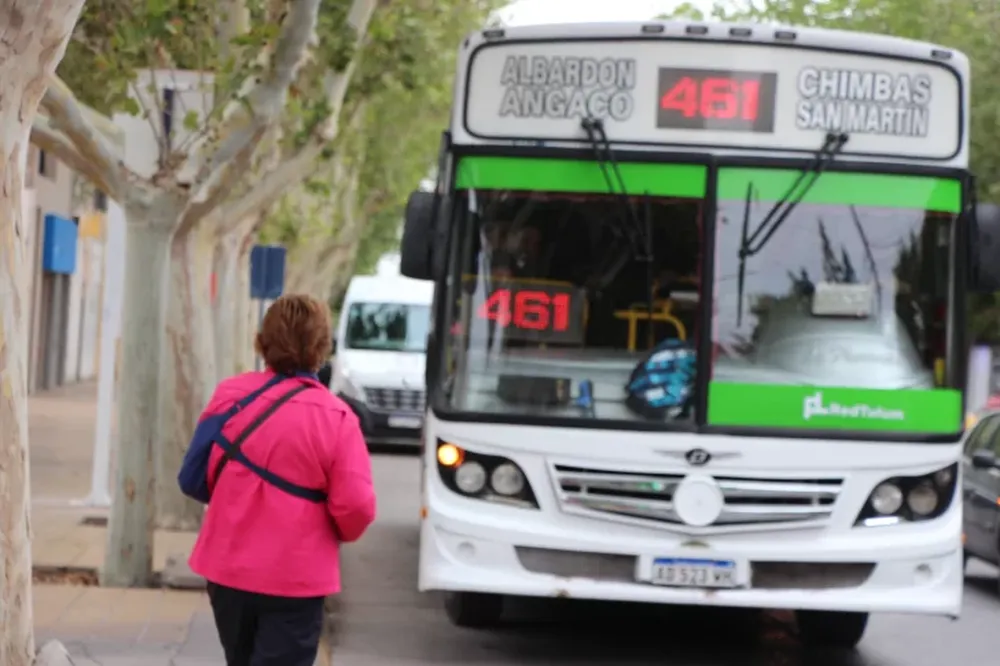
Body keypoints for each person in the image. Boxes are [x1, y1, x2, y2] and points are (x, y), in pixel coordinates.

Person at [188, 293, 376, 666]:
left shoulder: (230, 396)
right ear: (322, 348)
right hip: (297, 578)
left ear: (263, 342)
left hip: (227, 573)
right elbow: (355, 507)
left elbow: (192, 477)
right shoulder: (337, 418)